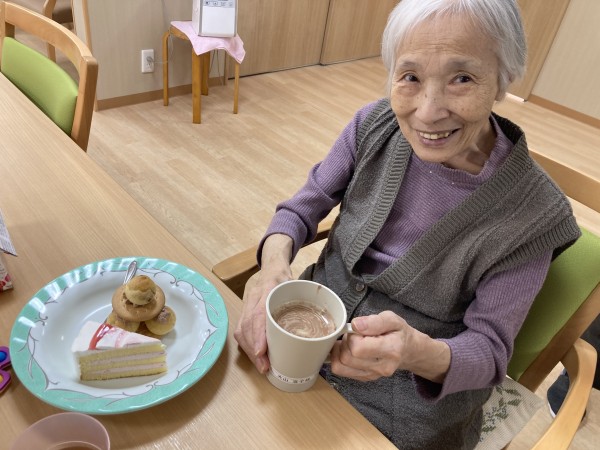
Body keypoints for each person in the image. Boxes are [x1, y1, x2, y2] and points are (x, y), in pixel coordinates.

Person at [234, 0, 581, 448]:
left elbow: (490, 353)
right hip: (299, 342)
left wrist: (416, 353)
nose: (428, 112)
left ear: (503, 78)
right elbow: (300, 210)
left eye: (462, 78)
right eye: (411, 77)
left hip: (407, 413)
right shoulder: (373, 126)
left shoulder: (533, 215)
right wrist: (270, 269)